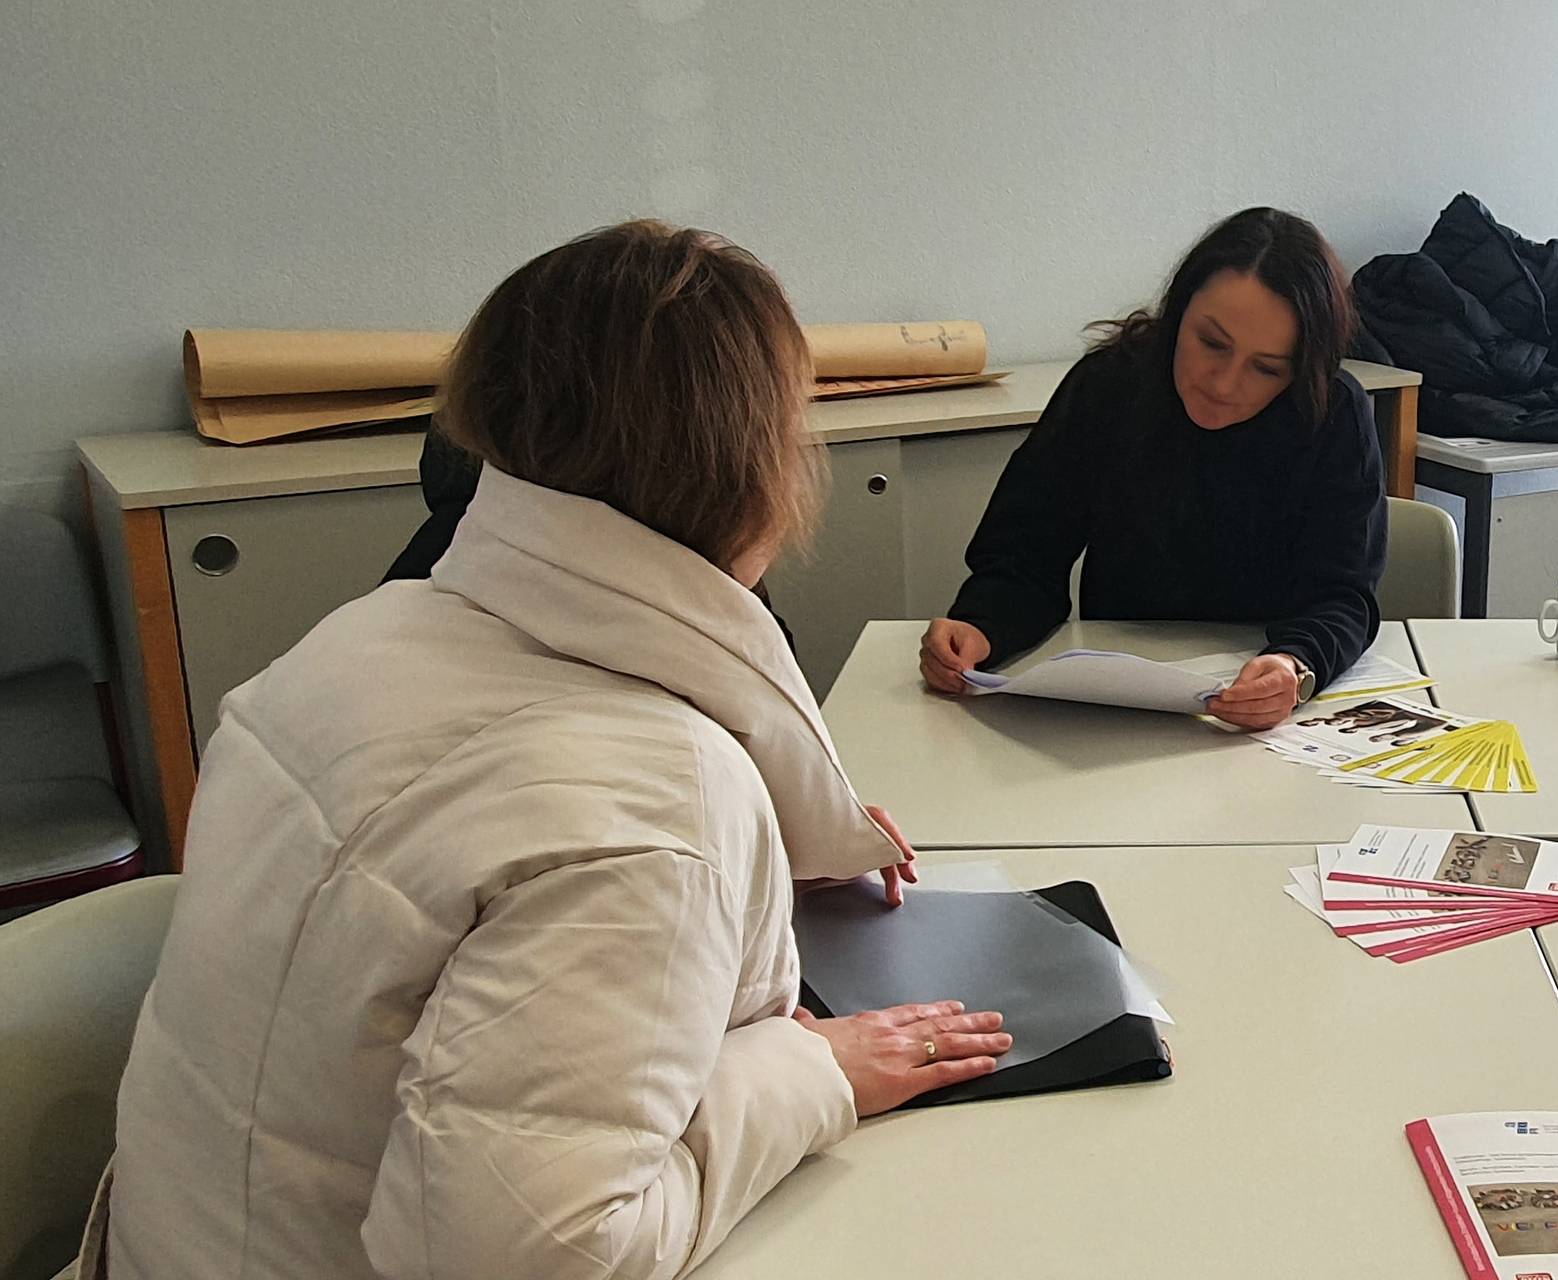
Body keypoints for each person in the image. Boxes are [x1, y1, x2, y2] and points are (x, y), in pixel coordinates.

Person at [102, 221, 1010, 1279]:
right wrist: (813, 1070)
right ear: (758, 470)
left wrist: (771, 851)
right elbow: (532, 1256)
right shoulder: (658, 805)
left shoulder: (363, 634)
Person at [918, 207, 1386, 729]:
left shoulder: (1332, 412)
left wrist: (1295, 666)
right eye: (1211, 342)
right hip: (1117, 700)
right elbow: (1024, 557)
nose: (1225, 383)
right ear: (1177, 312)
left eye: (1267, 368)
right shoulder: (1109, 386)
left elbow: (1342, 595)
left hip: (1259, 711)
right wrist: (981, 628)